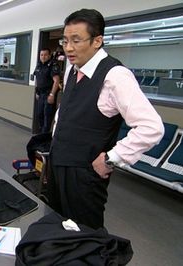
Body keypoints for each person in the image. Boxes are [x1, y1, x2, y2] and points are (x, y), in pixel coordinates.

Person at [49, 9, 164, 230]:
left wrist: (112, 158)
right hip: (58, 164)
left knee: (85, 236)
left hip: (85, 175)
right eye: (65, 41)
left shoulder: (116, 76)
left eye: (76, 40)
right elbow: (66, 112)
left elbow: (151, 127)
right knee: (57, 226)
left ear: (97, 41)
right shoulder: (73, 69)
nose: (68, 48)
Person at [33, 48, 60, 133]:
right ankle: (41, 134)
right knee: (39, 114)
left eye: (45, 55)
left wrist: (52, 95)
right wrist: (37, 91)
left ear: (49, 55)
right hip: (41, 94)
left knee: (47, 117)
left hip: (49, 94)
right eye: (41, 55)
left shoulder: (53, 65)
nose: (43, 57)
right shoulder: (39, 65)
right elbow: (37, 79)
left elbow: (56, 80)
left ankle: (45, 137)